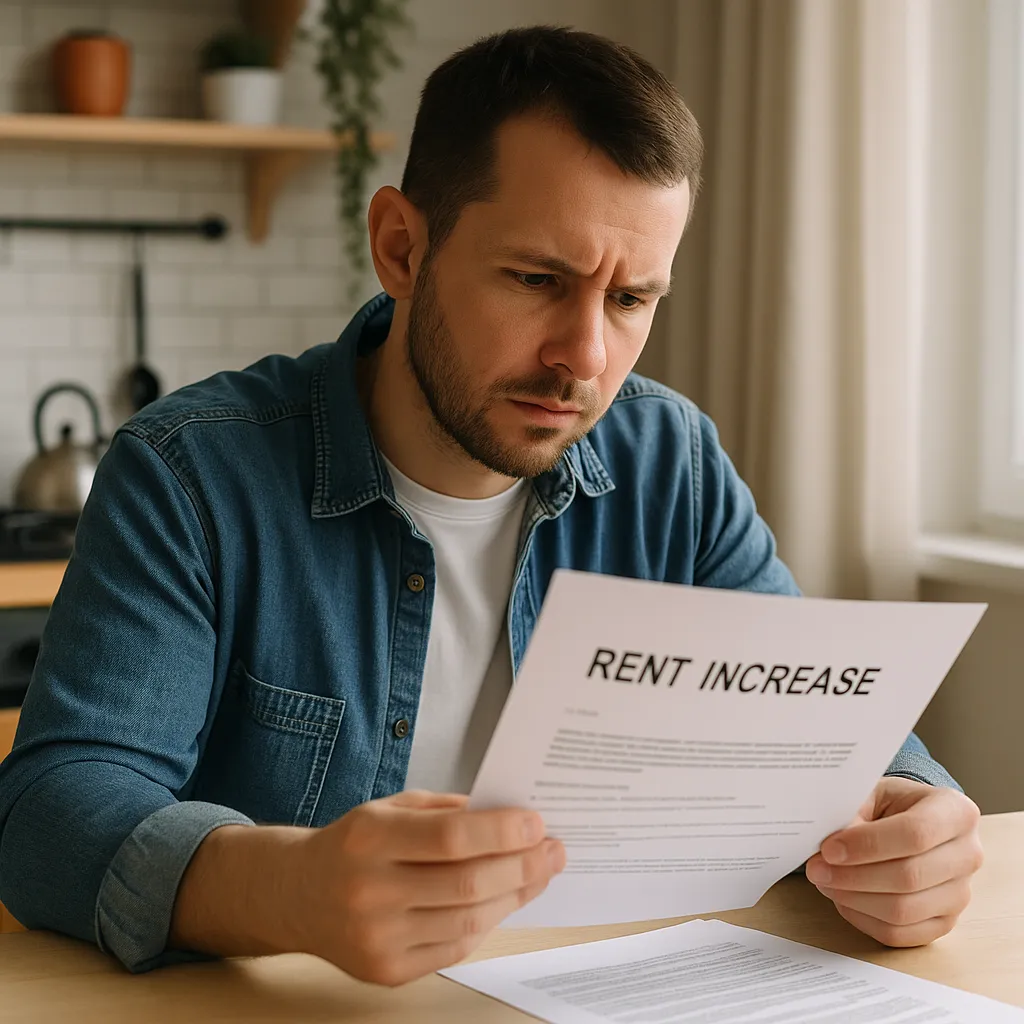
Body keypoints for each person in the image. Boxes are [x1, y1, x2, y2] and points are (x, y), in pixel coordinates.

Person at [0, 26, 982, 987]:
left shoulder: (668, 462)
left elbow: (826, 729)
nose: (584, 357)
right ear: (399, 247)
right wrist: (290, 889)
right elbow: (50, 813)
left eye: (630, 299)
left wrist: (915, 822)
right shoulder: (190, 476)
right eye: (537, 279)